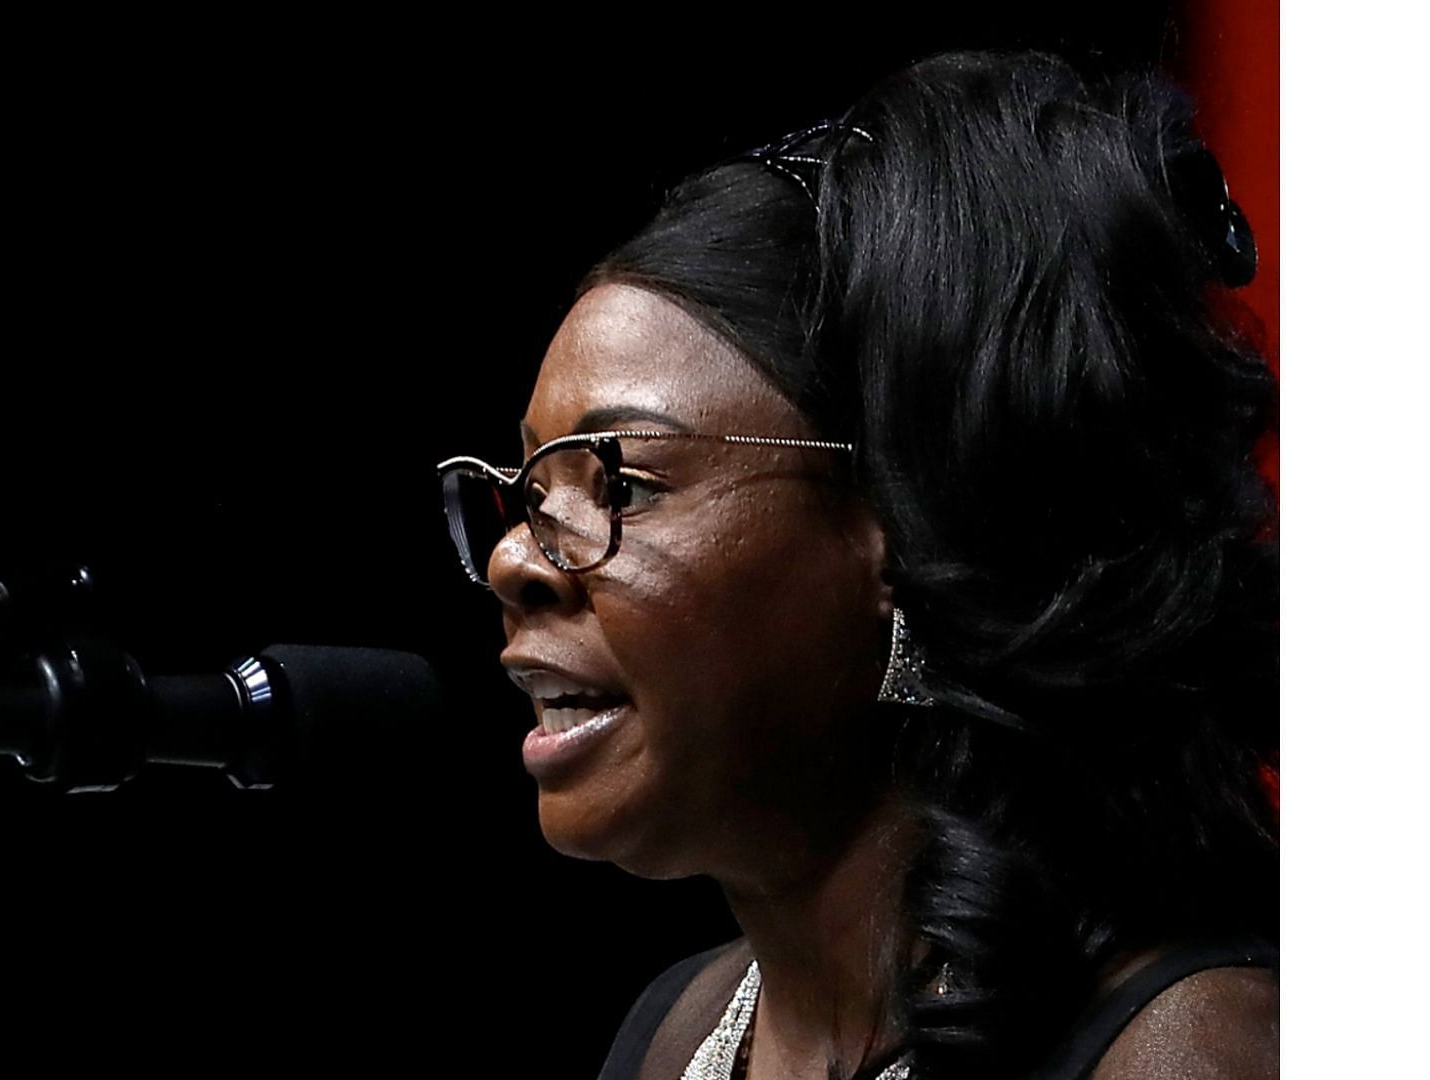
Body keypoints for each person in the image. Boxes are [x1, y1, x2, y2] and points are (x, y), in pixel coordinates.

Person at [436, 51, 1278, 1080]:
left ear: (901, 519)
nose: (515, 555)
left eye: (624, 485)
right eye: (527, 491)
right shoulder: (679, 1034)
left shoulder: (1190, 1050)